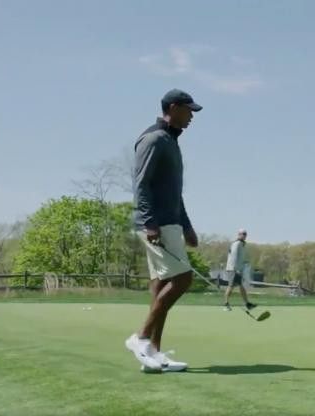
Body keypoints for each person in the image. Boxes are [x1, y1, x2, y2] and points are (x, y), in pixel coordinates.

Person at [125, 89, 202, 372]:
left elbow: (174, 193)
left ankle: (154, 353)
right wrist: (149, 222)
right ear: (173, 107)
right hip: (156, 223)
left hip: (169, 221)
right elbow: (141, 184)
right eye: (188, 110)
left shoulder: (170, 141)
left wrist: (187, 226)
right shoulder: (154, 139)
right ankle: (141, 338)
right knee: (182, 279)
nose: (192, 116)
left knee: (160, 285)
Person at [223, 229, 257, 311]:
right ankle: (225, 304)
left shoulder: (241, 244)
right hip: (233, 269)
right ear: (239, 234)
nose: (245, 236)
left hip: (238, 269)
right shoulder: (237, 244)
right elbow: (233, 256)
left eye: (245, 234)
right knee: (231, 286)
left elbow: (239, 257)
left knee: (241, 286)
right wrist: (235, 269)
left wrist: (244, 263)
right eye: (243, 234)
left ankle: (247, 304)